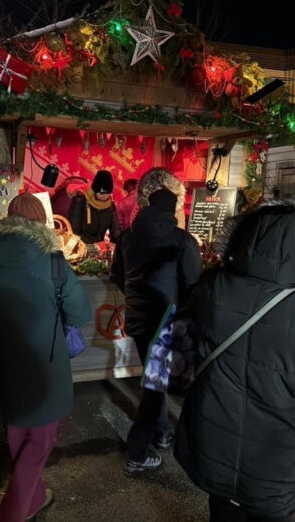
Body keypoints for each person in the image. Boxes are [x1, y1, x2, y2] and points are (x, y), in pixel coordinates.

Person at [175, 200, 295, 521]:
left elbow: (170, 367)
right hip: (279, 472)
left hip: (213, 454)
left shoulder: (209, 288)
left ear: (241, 241)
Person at [0, 193, 92, 522]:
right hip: (46, 368)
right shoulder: (54, 262)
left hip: (5, 365)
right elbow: (81, 313)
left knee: (18, 437)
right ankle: (12, 514)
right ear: (41, 222)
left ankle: (35, 496)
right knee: (39, 444)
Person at [110, 188, 200, 474]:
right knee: (155, 387)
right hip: (168, 321)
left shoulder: (127, 237)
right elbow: (193, 284)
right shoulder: (182, 240)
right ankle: (137, 452)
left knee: (155, 380)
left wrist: (136, 298)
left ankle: (161, 431)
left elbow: (117, 275)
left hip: (138, 319)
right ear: (173, 211)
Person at [68, 170, 121, 243]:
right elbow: (74, 230)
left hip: (98, 245)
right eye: (101, 193)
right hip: (80, 244)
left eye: (107, 193)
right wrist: (91, 245)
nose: (104, 196)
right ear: (95, 190)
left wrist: (121, 241)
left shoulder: (110, 205)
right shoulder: (80, 200)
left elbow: (115, 229)